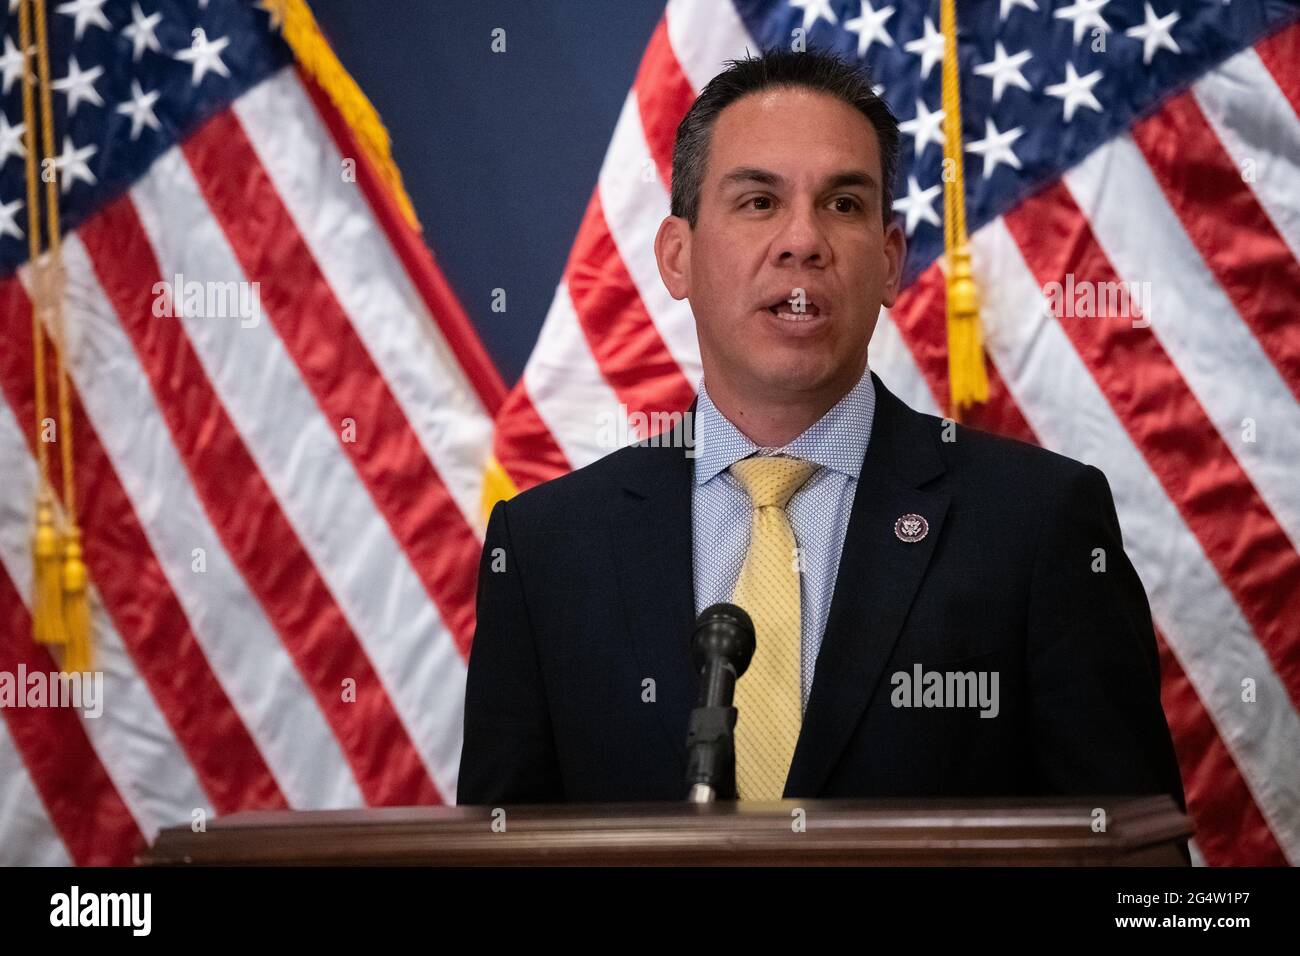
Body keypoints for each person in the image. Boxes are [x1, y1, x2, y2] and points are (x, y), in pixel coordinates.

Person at [457, 49, 1185, 810]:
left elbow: (1140, 874)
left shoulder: (1038, 525)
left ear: (891, 263)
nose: (803, 241)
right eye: (759, 202)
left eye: (843, 204)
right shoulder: (546, 551)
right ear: (677, 257)